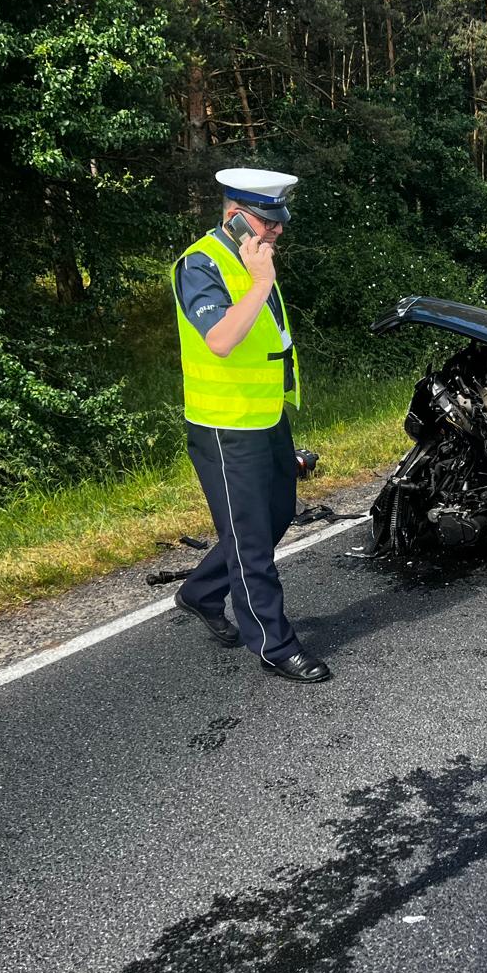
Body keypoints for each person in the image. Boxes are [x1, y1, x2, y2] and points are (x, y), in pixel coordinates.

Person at [169, 167, 330, 683]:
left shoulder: (251, 256)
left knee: (276, 516)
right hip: (225, 425)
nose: (277, 230)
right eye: (268, 221)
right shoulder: (200, 263)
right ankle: (274, 645)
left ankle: (200, 593)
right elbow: (220, 339)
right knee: (251, 542)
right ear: (237, 217)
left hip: (265, 416)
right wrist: (262, 282)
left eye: (280, 221)